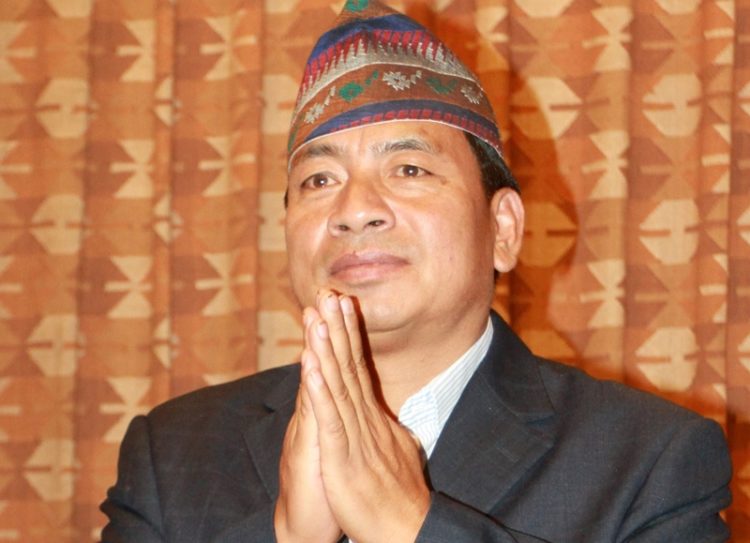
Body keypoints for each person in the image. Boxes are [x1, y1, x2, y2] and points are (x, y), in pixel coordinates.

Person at [100, 1, 732, 542]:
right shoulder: (173, 452)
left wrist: (409, 524)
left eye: (409, 169)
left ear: (503, 229)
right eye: (319, 180)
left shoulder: (649, 460)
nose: (355, 210)